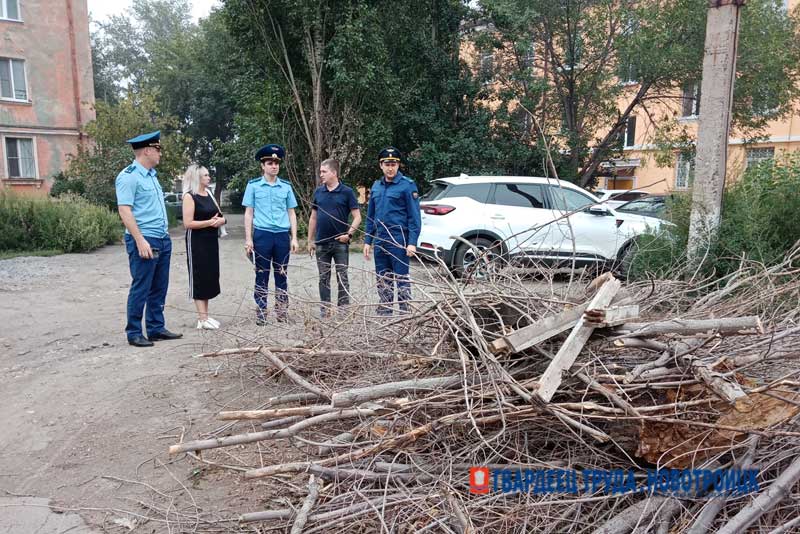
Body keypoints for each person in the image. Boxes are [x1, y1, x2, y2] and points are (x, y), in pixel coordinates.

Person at [115, 130, 183, 347]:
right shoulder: (128, 176)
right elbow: (125, 210)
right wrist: (140, 240)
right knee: (141, 286)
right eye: (158, 149)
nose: (160, 153)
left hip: (162, 238)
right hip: (145, 239)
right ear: (147, 150)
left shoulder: (152, 176)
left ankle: (155, 328)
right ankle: (134, 332)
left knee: (159, 286)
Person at [243, 144, 299, 324]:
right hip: (262, 235)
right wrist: (248, 239)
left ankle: (282, 311)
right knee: (262, 274)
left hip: (282, 235)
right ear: (263, 165)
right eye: (269, 162)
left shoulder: (286, 187)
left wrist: (295, 238)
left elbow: (291, 212)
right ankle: (261, 312)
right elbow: (249, 213)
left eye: (276, 163)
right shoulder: (253, 186)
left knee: (281, 274)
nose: (273, 166)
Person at [363, 147, 421, 315]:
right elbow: (371, 217)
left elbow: (414, 218)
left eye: (394, 164)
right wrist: (368, 240)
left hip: (399, 240)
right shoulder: (376, 186)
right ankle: (386, 312)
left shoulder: (407, 186)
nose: (390, 168)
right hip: (381, 240)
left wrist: (412, 243)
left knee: (401, 279)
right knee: (383, 278)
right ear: (381, 165)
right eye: (387, 164)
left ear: (398, 165)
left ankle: (404, 314)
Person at [307, 159, 362, 316]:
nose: (321, 175)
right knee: (323, 278)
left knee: (342, 277)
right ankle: (325, 309)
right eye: (320, 172)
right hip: (321, 243)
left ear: (334, 173)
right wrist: (310, 240)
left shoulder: (347, 192)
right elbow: (313, 218)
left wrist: (349, 234)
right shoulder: (318, 192)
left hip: (340, 244)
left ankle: (343, 311)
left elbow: (357, 217)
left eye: (324, 172)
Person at [182, 165, 226, 329]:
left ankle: (204, 317)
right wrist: (210, 223)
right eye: (206, 175)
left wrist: (222, 221)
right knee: (199, 276)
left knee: (209, 276)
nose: (209, 177)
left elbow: (219, 215)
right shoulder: (189, 196)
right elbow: (188, 223)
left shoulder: (209, 194)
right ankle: (202, 318)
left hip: (211, 241)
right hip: (197, 242)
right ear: (197, 178)